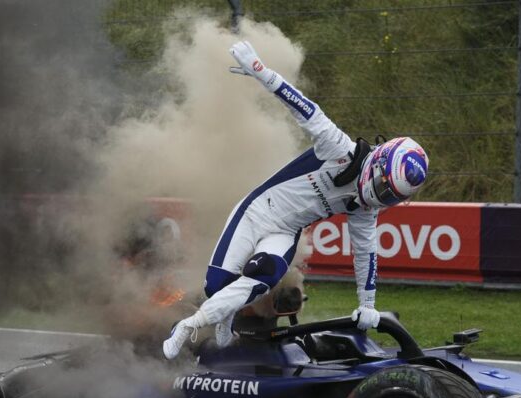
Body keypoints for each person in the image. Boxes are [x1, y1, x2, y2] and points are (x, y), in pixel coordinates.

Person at [162, 41, 429, 359]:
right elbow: (302, 106)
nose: (381, 197)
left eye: (392, 197)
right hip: (256, 211)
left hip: (284, 233)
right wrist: (261, 71)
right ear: (379, 162)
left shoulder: (365, 208)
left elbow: (366, 256)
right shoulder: (338, 148)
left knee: (260, 281)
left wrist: (367, 306)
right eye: (384, 187)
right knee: (216, 285)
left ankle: (188, 326)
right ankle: (222, 314)